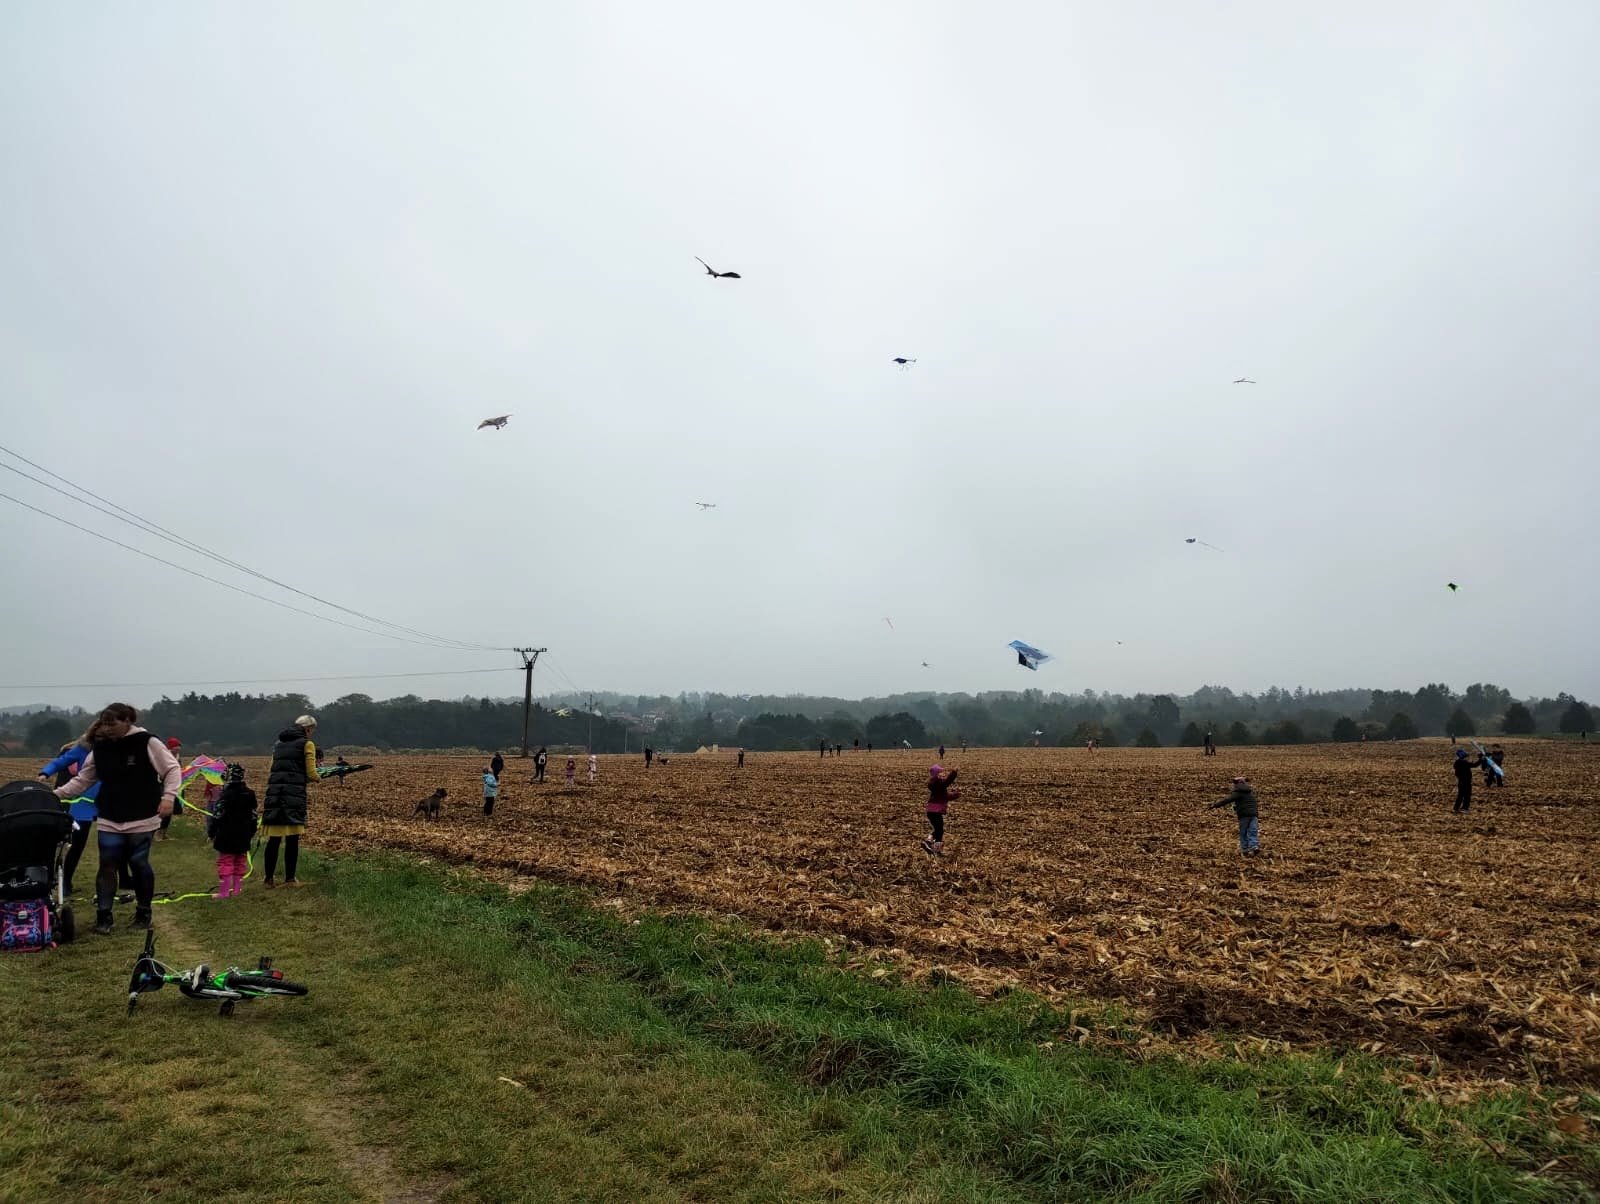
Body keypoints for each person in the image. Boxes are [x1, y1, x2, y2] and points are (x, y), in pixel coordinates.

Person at [52, 703, 180, 933]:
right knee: (107, 864)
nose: (107, 728)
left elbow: (171, 769)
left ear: (127, 721)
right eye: (104, 723)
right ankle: (104, 916)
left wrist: (169, 797)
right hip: (110, 814)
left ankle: (143, 913)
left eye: (112, 723)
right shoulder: (100, 748)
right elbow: (83, 780)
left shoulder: (147, 742)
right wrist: (55, 794)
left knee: (138, 863)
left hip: (142, 813)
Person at [38, 733, 134, 901]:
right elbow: (61, 761)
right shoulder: (82, 749)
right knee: (77, 844)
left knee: (118, 841)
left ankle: (124, 878)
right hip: (83, 802)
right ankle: (65, 882)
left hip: (109, 801)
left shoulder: (117, 748)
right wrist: (45, 772)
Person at [261, 715, 319, 888]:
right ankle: (290, 879)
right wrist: (319, 777)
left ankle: (268, 879)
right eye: (312, 730)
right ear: (308, 729)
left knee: (274, 840)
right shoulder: (307, 744)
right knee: (292, 840)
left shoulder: (278, 744)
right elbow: (311, 773)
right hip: (293, 797)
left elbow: (272, 769)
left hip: (275, 796)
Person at [207, 764, 257, 899]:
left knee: (226, 861)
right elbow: (254, 815)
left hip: (226, 834)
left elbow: (217, 815)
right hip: (244, 834)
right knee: (240, 861)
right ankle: (236, 890)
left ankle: (224, 892)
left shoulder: (225, 795)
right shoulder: (250, 794)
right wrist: (252, 831)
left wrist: (211, 832)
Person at [1209, 776, 1261, 855]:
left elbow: (1227, 800)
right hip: (1254, 815)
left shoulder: (1238, 793)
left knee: (1243, 832)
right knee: (1253, 831)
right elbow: (1248, 803)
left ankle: (1245, 849)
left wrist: (1215, 805)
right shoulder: (1250, 792)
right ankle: (1254, 846)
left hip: (1244, 815)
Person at [922, 764, 960, 855]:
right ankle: (928, 841)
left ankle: (936, 849)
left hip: (933, 811)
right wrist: (954, 773)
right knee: (939, 830)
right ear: (936, 774)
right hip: (935, 811)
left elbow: (945, 796)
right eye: (941, 772)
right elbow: (947, 782)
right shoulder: (937, 783)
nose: (943, 773)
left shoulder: (938, 785)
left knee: (939, 830)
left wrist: (955, 795)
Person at [157, 735, 184, 838]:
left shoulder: (178, 758)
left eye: (179, 747)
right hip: (162, 786)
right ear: (171, 748)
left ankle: (164, 833)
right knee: (163, 809)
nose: (178, 749)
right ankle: (158, 832)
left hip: (173, 786)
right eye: (176, 747)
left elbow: (179, 770)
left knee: (172, 810)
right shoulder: (164, 757)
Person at [1453, 747, 1484, 812]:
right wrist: (1480, 759)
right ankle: (1465, 808)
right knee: (1467, 795)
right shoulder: (1464, 763)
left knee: (1460, 795)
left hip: (1460, 782)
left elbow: (1456, 773)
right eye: (1466, 757)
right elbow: (1475, 765)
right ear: (1463, 757)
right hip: (1466, 782)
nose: (1467, 758)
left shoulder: (1457, 762)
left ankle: (1456, 807)